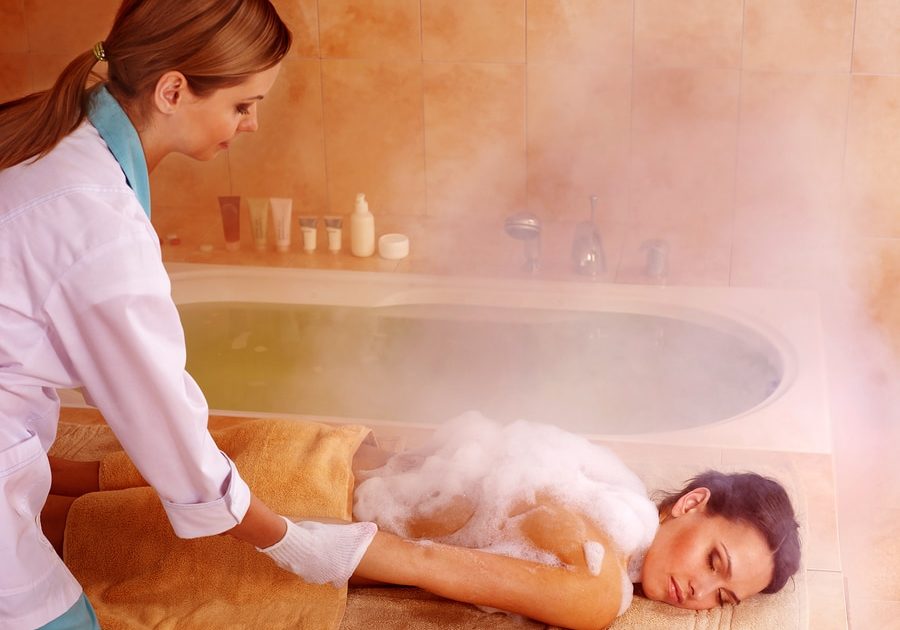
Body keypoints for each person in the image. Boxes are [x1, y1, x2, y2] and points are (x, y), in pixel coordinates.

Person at [0, 2, 377, 628]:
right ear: (173, 90)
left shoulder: (51, 133)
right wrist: (285, 539)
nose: (252, 124)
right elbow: (162, 420)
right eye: (242, 104)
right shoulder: (96, 223)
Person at [44, 415, 801, 630]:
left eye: (720, 598)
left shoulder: (601, 482)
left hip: (314, 454)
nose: (699, 592)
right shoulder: (602, 587)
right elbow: (426, 563)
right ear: (693, 504)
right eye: (715, 563)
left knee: (43, 477)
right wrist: (288, 540)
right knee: (46, 535)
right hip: (295, 503)